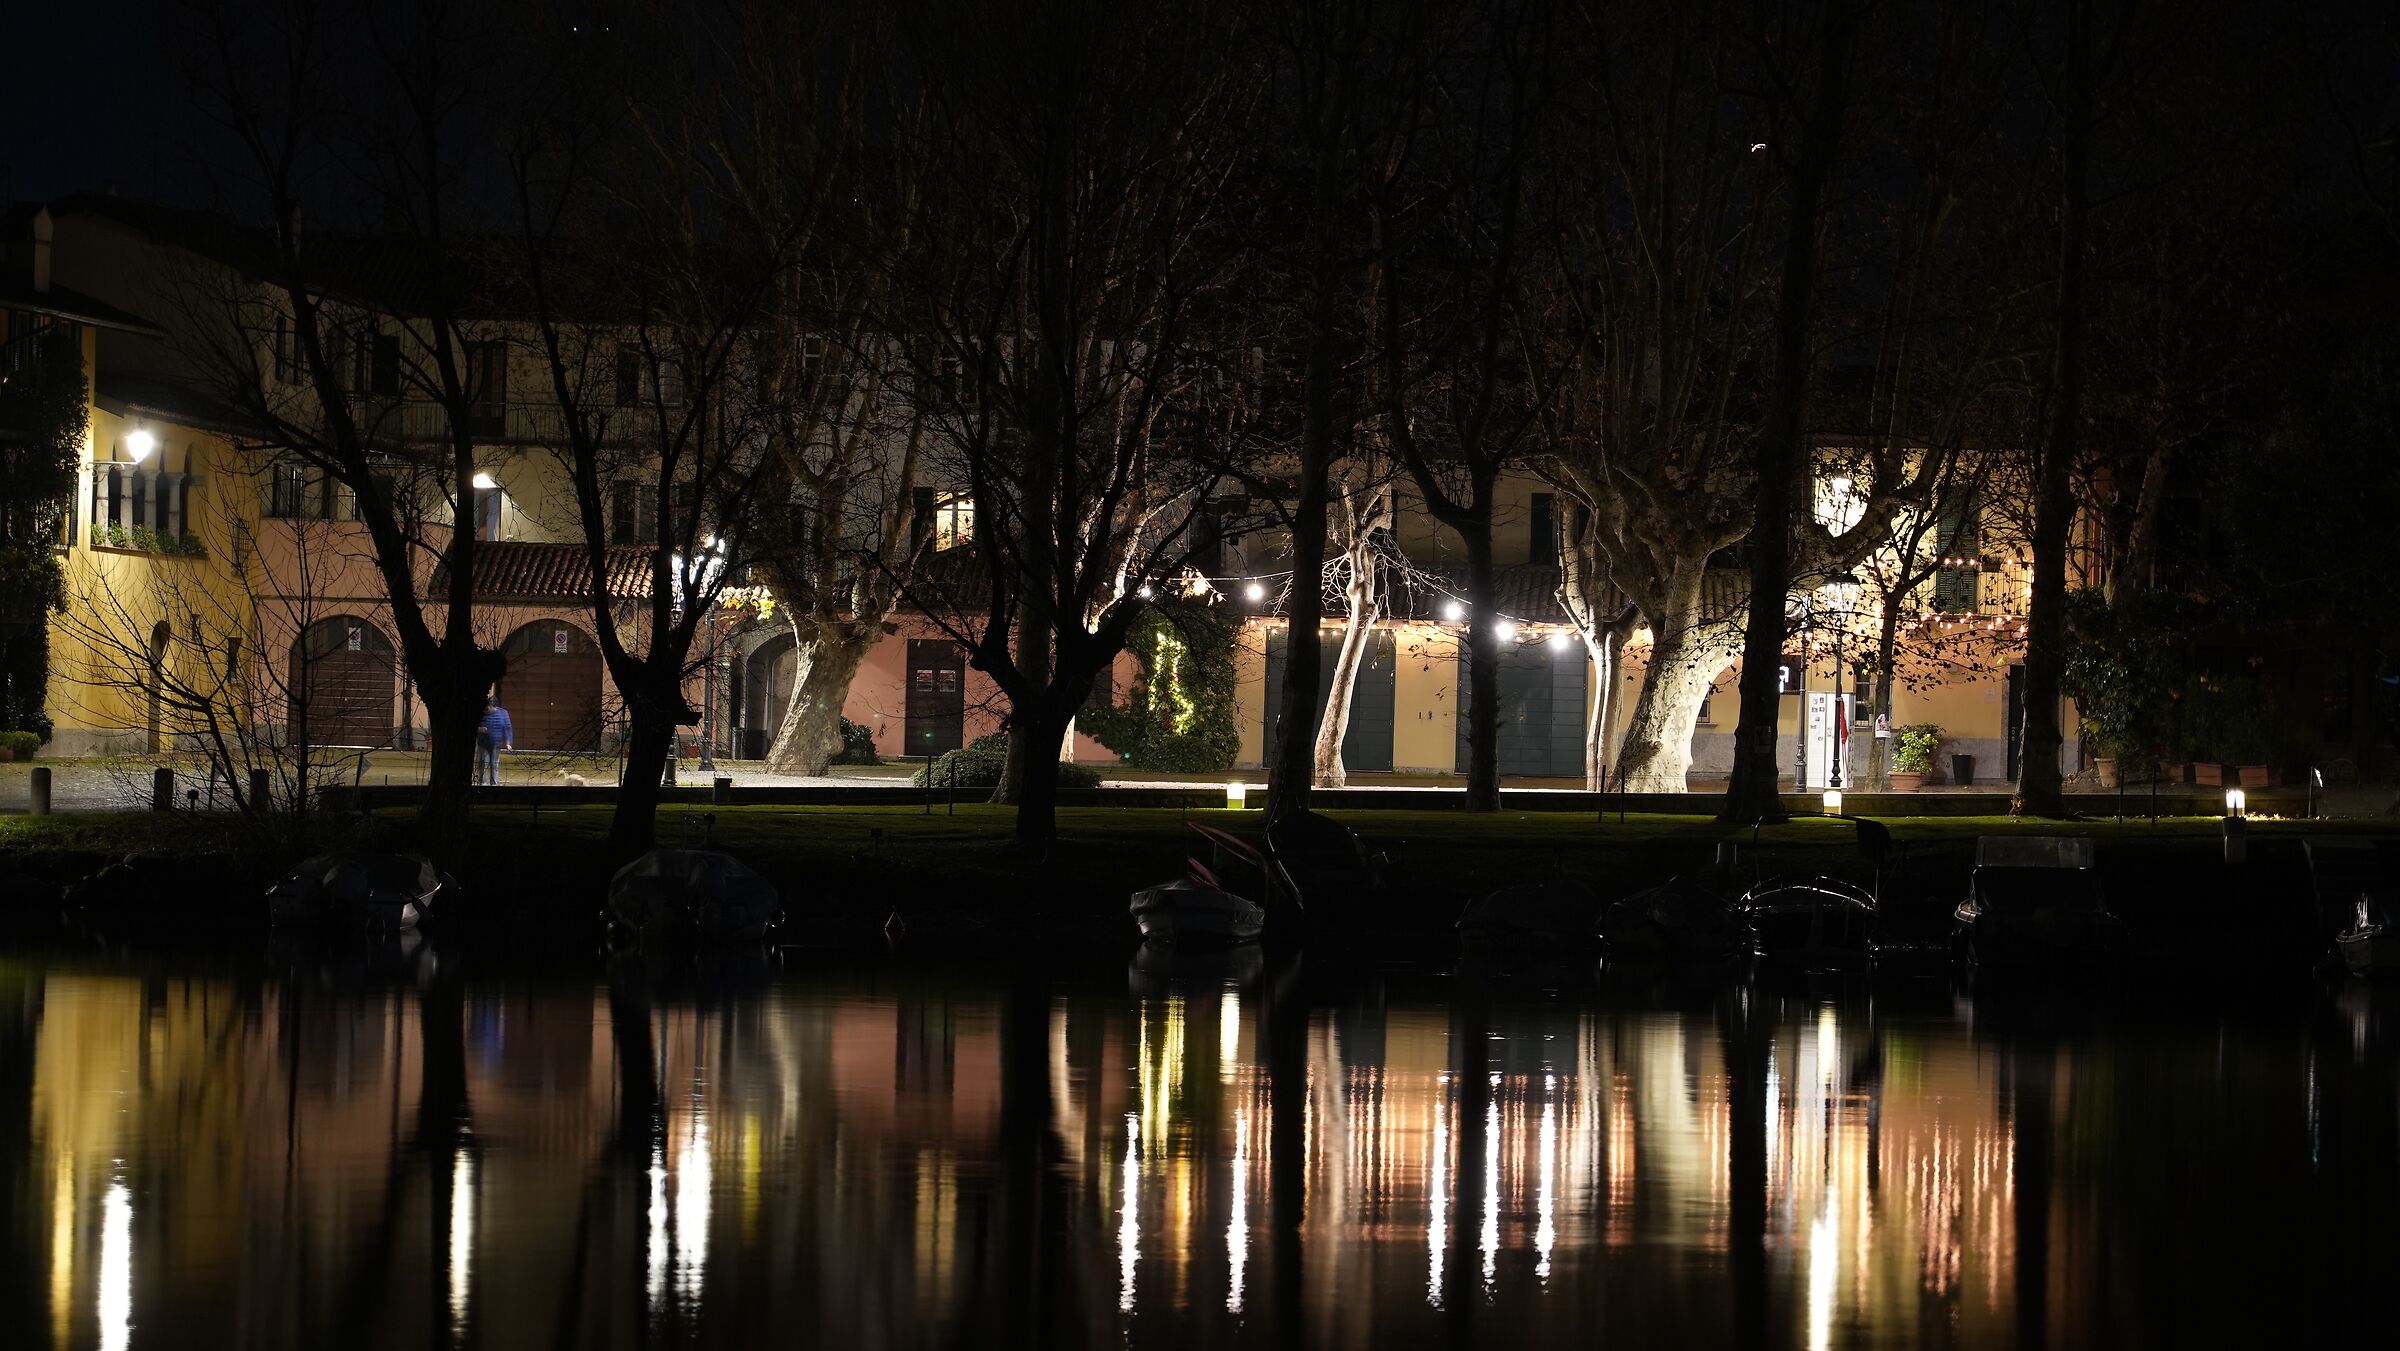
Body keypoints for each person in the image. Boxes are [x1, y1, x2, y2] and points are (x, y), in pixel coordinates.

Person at [477, 696, 513, 786]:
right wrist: (480, 729)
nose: (487, 708)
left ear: (494, 706)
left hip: (495, 744)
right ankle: (482, 784)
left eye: (489, 706)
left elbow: (507, 727)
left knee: (494, 765)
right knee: (482, 763)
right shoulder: (483, 713)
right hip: (483, 743)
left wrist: (508, 742)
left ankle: (493, 784)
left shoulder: (503, 713)